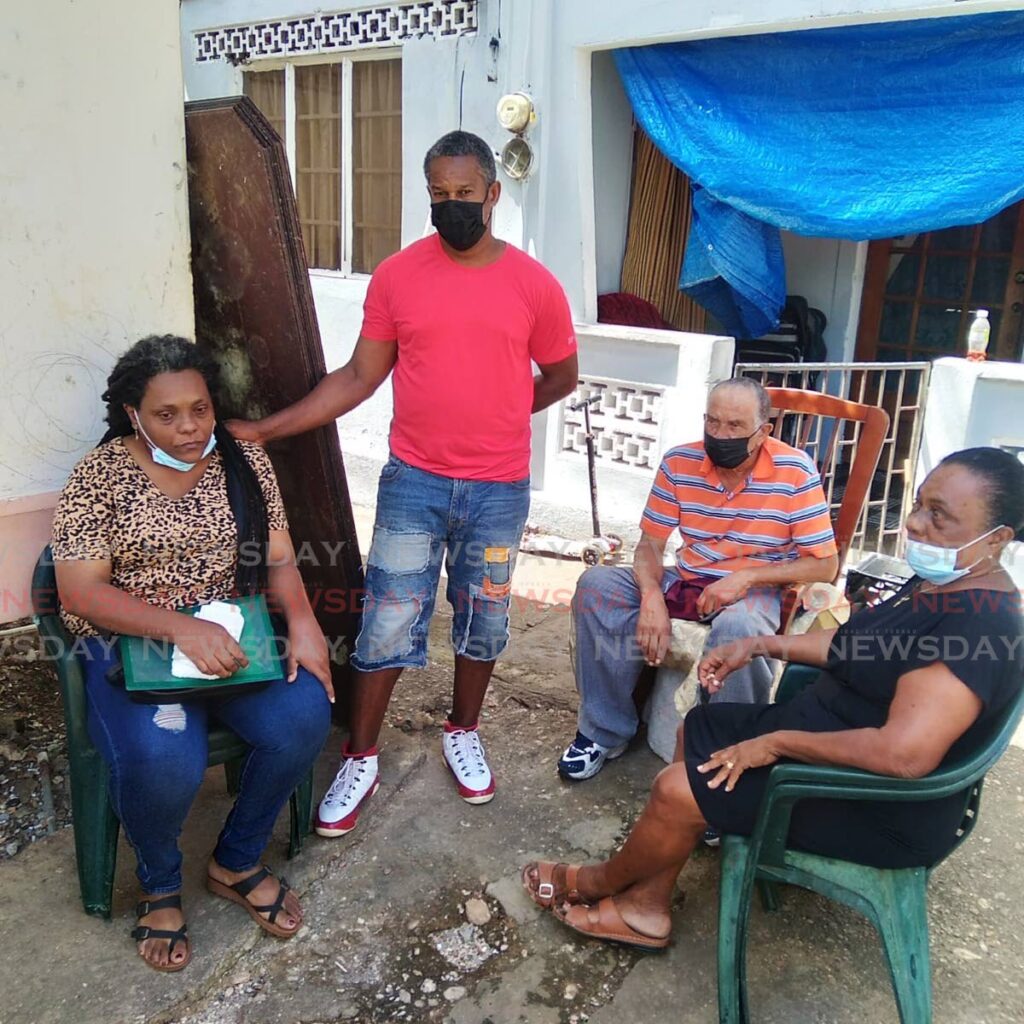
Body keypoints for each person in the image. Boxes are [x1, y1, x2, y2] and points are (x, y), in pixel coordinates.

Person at [523, 447, 1024, 953]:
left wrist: (777, 743)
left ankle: (596, 882)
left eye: (938, 515)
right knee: (695, 729)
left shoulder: (979, 624)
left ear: (998, 538)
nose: (915, 524)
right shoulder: (940, 584)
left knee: (677, 789)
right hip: (829, 733)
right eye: (918, 504)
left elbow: (904, 755)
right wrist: (759, 644)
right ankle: (646, 906)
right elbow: (852, 646)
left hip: (876, 803)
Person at [228, 130, 578, 834]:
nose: (452, 207)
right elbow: (359, 377)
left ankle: (464, 730)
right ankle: (361, 754)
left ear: (493, 195)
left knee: (486, 616)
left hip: (499, 491)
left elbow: (562, 376)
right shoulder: (398, 276)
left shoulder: (535, 285)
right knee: (385, 617)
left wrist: (505, 409)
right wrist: (266, 431)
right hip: (413, 482)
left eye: (465, 195)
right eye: (439, 196)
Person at [52, 335, 333, 972]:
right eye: (166, 414)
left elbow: (280, 559)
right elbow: (81, 591)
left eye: (199, 410)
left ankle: (235, 859)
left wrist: (307, 625)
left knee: (303, 715)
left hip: (230, 632)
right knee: (165, 756)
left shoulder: (243, 460)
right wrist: (178, 629)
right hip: (133, 646)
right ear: (133, 415)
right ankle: (159, 883)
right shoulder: (101, 477)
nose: (187, 428)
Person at [558, 377, 838, 783]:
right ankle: (603, 731)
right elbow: (650, 546)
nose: (720, 435)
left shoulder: (794, 471)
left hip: (755, 589)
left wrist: (747, 577)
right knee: (597, 586)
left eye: (735, 427)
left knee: (740, 627)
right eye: (713, 422)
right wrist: (651, 595)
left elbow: (824, 565)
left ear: (764, 432)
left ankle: (723, 753)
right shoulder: (679, 462)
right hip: (687, 577)